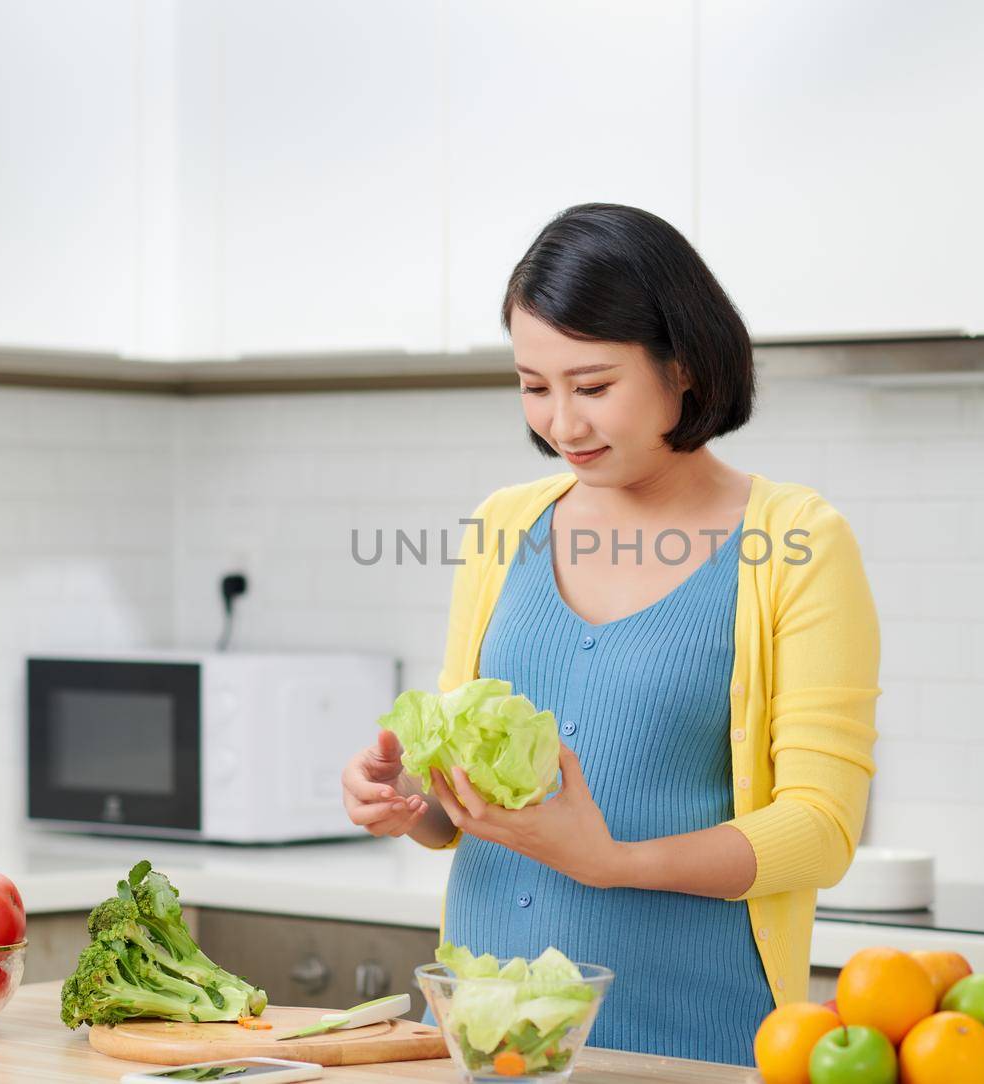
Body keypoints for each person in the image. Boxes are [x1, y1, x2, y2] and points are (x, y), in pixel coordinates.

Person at [341, 203, 880, 1066]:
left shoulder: (798, 542)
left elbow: (821, 830)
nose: (562, 424)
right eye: (533, 385)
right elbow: (461, 807)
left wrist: (614, 861)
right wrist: (411, 799)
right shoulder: (502, 527)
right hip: (491, 1040)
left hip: (694, 1042)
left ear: (686, 366)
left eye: (592, 387)